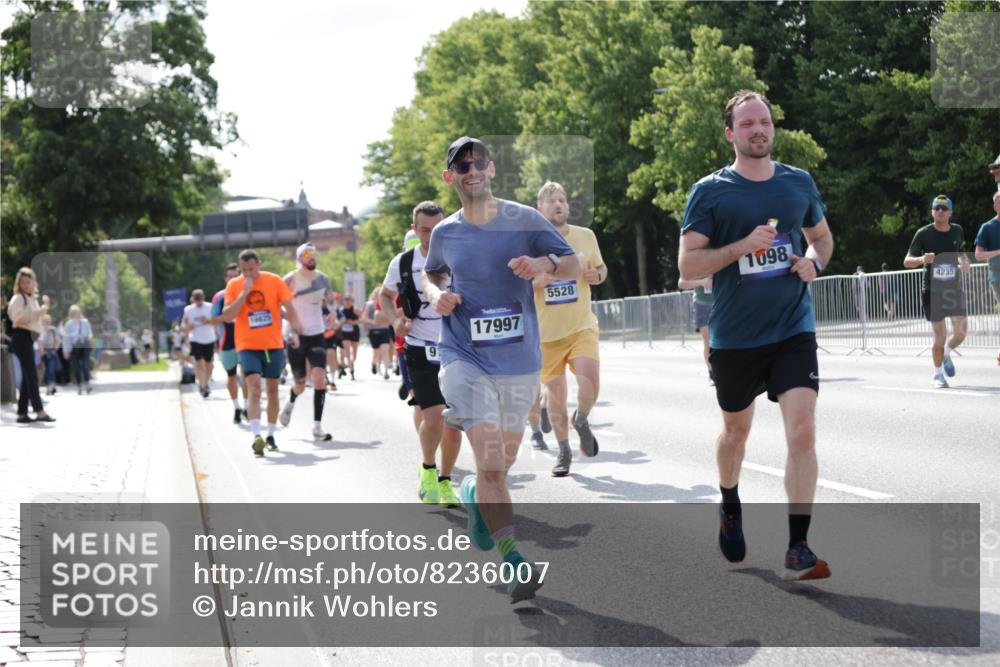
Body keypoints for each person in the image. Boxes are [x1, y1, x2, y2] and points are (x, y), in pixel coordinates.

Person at [678, 90, 834, 581]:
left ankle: (798, 547)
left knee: (803, 429)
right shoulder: (711, 191)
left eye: (764, 121)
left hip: (792, 327)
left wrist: (814, 262)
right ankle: (729, 502)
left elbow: (823, 237)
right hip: (735, 337)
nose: (758, 130)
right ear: (731, 134)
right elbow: (688, 263)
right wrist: (743, 245)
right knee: (736, 433)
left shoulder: (797, 182)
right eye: (747, 124)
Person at [423, 136, 580, 601]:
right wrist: (438, 297)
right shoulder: (446, 233)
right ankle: (516, 562)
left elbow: (572, 264)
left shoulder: (525, 220)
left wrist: (542, 262)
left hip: (518, 361)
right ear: (450, 176)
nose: (471, 170)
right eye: (461, 165)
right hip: (463, 356)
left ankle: (472, 492)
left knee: (501, 466)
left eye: (479, 163)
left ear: (491, 170)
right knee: (492, 460)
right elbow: (433, 273)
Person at [381, 200, 462, 508]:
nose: (432, 236)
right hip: (419, 347)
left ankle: (445, 481)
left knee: (455, 420)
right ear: (415, 230)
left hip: (456, 346)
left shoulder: (459, 258)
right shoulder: (403, 263)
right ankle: (428, 468)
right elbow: (385, 296)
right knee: (435, 414)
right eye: (426, 230)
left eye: (438, 229)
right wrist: (395, 320)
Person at [525, 181, 607, 477]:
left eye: (562, 200)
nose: (558, 205)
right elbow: (515, 285)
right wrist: (534, 283)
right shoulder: (530, 244)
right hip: (547, 336)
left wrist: (597, 275)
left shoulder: (585, 236)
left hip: (581, 325)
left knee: (590, 380)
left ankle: (582, 418)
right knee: (556, 398)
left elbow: (601, 268)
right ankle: (564, 450)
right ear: (540, 210)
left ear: (568, 207)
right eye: (551, 201)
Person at [222, 249, 303, 457]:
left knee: (273, 390)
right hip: (248, 345)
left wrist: (294, 330)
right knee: (255, 388)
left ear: (259, 264)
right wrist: (244, 292)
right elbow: (228, 316)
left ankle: (270, 435)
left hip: (273, 344)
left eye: (251, 268)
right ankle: (256, 436)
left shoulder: (274, 281)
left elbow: (289, 307)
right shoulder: (234, 285)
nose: (248, 273)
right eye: (243, 270)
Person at [903, 194, 971, 389]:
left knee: (961, 333)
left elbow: (961, 253)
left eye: (943, 208)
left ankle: (947, 353)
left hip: (953, 289)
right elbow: (907, 261)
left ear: (950, 212)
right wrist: (922, 259)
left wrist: (965, 262)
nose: (940, 211)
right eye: (936, 208)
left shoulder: (957, 231)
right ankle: (937, 374)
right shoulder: (923, 233)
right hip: (932, 290)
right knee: (939, 336)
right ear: (932, 212)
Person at [279, 243, 334, 442]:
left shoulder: (323, 279)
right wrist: (292, 323)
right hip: (295, 335)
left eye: (313, 253)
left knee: (319, 377)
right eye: (307, 254)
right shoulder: (290, 279)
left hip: (317, 332)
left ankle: (317, 426)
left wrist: (332, 313)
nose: (311, 257)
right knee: (300, 384)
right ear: (299, 258)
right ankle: (291, 399)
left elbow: (329, 302)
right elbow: (275, 306)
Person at [8, 267, 55, 423]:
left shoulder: (31, 299)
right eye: (23, 282)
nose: (26, 285)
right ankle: (39, 411)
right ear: (19, 283)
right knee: (32, 375)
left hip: (29, 338)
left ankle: (22, 413)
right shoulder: (18, 298)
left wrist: (41, 312)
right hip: (20, 336)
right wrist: (42, 310)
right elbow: (18, 319)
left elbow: (35, 320)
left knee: (29, 376)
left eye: (28, 282)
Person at [210, 263, 249, 424]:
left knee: (247, 375)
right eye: (230, 276)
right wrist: (229, 316)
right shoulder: (220, 297)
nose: (233, 279)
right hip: (227, 342)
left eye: (236, 276)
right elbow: (213, 320)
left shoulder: (247, 293)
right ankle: (237, 407)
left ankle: (247, 407)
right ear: (225, 279)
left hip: (246, 341)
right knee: (231, 377)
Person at [974, 191, 1000, 365]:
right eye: (999, 201)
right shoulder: (987, 227)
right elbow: (978, 255)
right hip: (997, 275)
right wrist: (998, 252)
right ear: (994, 206)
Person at [678, 274, 714, 384]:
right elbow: (682, 283)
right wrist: (702, 282)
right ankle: (712, 374)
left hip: (721, 303)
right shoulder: (695, 258)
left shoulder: (719, 256)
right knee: (708, 341)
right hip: (702, 305)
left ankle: (726, 370)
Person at [183, 289, 218, 397]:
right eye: (196, 300)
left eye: (200, 300)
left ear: (203, 298)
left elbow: (217, 322)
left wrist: (208, 320)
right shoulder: (188, 310)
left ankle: (206, 383)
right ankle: (201, 385)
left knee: (209, 364)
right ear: (193, 299)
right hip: (195, 339)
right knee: (199, 363)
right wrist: (189, 327)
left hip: (209, 338)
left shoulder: (210, 307)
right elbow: (184, 326)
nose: (198, 302)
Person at [63, 304, 93, 394]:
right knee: (76, 368)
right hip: (74, 347)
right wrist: (66, 351)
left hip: (84, 346)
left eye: (77, 312)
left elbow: (90, 333)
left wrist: (89, 338)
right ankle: (79, 385)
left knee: (85, 365)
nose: (76, 314)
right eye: (74, 312)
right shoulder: (68, 324)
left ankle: (87, 384)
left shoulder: (85, 322)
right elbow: (66, 338)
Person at [338, 295, 361, 380]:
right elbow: (337, 321)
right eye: (346, 300)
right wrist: (342, 322)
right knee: (346, 351)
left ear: (352, 301)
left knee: (354, 355)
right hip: (344, 333)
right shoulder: (340, 311)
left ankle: (346, 365)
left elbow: (362, 319)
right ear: (343, 301)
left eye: (349, 300)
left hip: (354, 332)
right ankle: (351, 371)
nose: (347, 302)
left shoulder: (356, 310)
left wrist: (354, 322)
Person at [40, 315, 61, 395]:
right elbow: (39, 341)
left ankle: (51, 386)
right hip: (42, 352)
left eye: (48, 321)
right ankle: (50, 386)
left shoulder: (53, 330)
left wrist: (54, 350)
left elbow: (58, 341)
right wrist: (41, 351)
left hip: (51, 352)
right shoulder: (40, 329)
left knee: (51, 369)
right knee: (45, 370)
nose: (47, 323)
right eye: (45, 321)